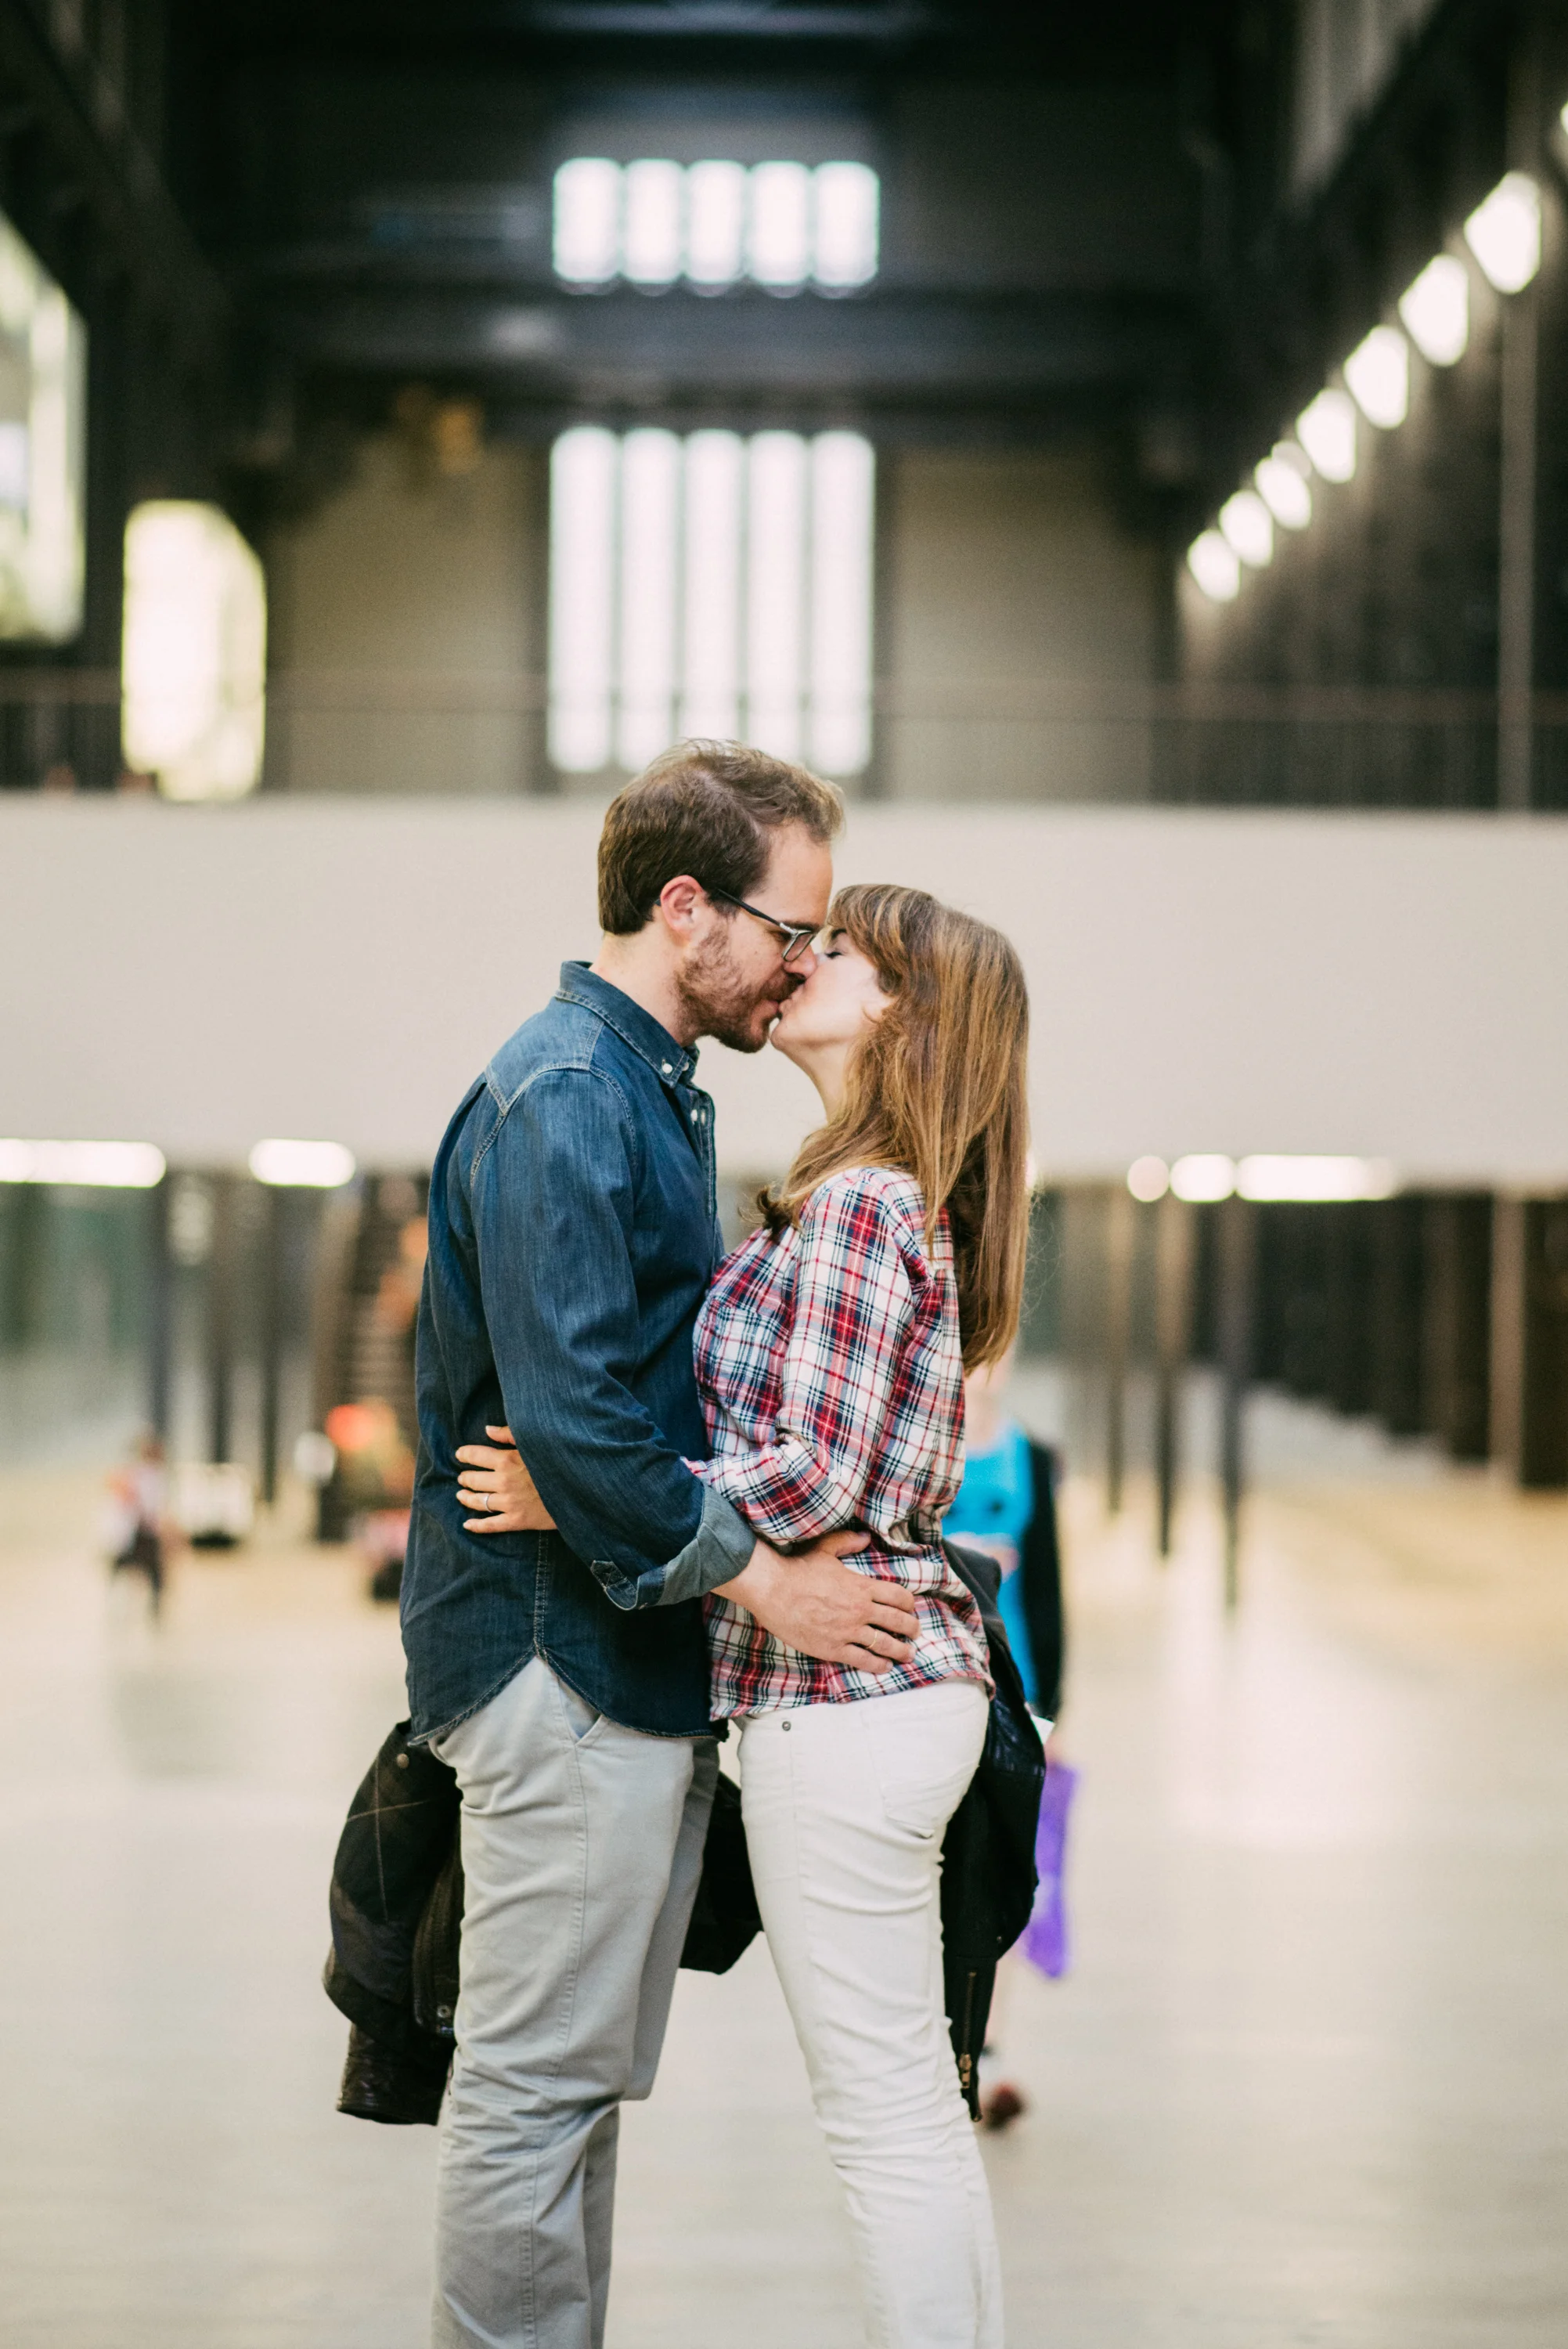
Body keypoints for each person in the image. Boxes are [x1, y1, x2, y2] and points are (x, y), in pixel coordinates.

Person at [400, 742, 921, 2349]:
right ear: (684, 909)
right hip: (556, 1661)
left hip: (607, 1652)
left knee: (566, 2091)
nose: (802, 964)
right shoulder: (567, 1097)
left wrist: (625, 1485)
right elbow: (574, 1426)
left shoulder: (642, 1090)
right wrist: (765, 1577)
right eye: (791, 929)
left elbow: (612, 1421)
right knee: (533, 2088)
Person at [463, 882, 1031, 2349]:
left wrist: (588, 1492)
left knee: (882, 2121)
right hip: (885, 1693)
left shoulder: (860, 1200)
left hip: (843, 1696)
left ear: (901, 1011)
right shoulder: (881, 1188)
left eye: (838, 950)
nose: (804, 958)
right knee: (909, 2105)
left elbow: (816, 1468)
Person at [943, 1352, 1069, 2129]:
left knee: (1001, 1875)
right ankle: (945, 2043)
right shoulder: (917, 1450)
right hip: (932, 1689)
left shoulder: (1033, 1459)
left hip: (1011, 1700)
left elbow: (1051, 1597)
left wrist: (1053, 1715)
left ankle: (986, 2049)